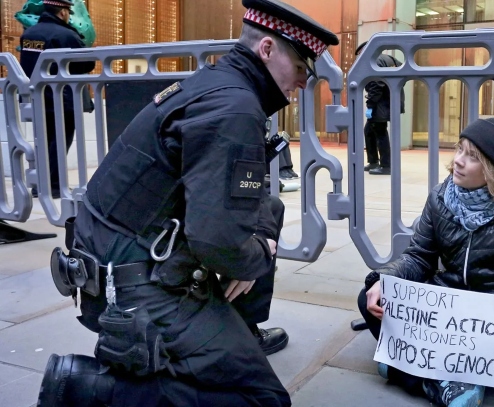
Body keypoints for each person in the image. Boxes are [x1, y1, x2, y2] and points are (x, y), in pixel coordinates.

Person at [38, 0, 338, 406]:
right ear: (267, 49)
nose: (303, 82)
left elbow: (244, 203)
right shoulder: (235, 108)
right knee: (261, 398)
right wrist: (256, 255)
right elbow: (217, 242)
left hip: (115, 257)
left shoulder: (217, 84)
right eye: (300, 67)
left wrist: (253, 245)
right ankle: (89, 388)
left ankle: (233, 335)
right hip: (135, 285)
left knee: (268, 213)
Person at [358, 118, 494, 406]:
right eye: (459, 149)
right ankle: (452, 380)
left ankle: (410, 371)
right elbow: (419, 256)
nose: (458, 160)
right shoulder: (440, 197)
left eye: (472, 156)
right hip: (445, 309)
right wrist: (386, 279)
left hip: (493, 315)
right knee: (371, 297)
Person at [19, 0, 95, 199]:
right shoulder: (66, 35)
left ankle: (39, 185)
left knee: (43, 142)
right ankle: (53, 186)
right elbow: (86, 63)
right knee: (59, 142)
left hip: (36, 96)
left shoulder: (29, 34)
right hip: (62, 98)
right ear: (62, 12)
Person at [355, 40, 405, 175]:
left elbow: (376, 85)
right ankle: (373, 162)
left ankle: (386, 165)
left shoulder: (374, 61)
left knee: (380, 132)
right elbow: (402, 73)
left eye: (360, 54)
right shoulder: (389, 59)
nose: (359, 58)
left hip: (381, 103)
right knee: (369, 130)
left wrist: (370, 105)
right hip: (391, 100)